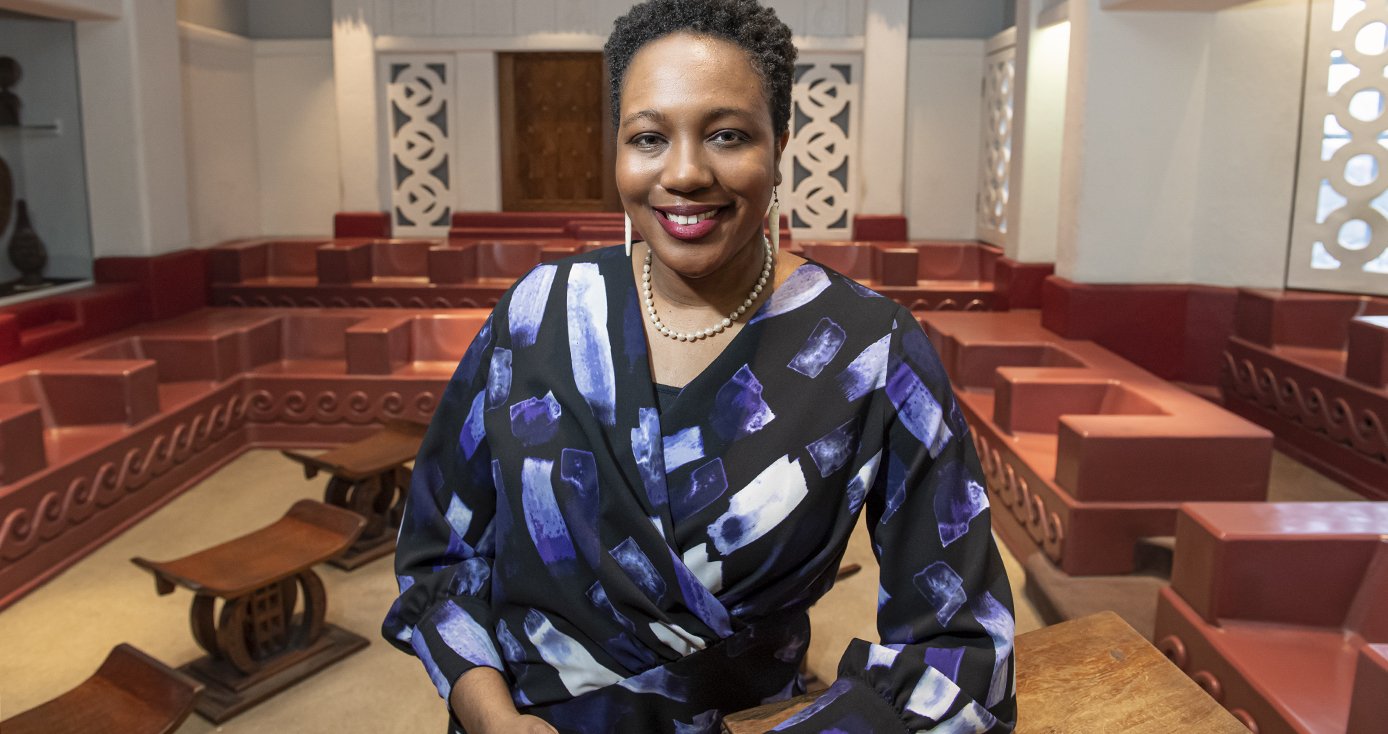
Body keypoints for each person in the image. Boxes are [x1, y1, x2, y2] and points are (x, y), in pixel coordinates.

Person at [382, 1, 1016, 732]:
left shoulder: (871, 351)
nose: (684, 173)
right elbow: (438, 554)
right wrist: (494, 717)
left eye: (727, 134)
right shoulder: (538, 316)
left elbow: (965, 647)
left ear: (780, 144)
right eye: (649, 137)